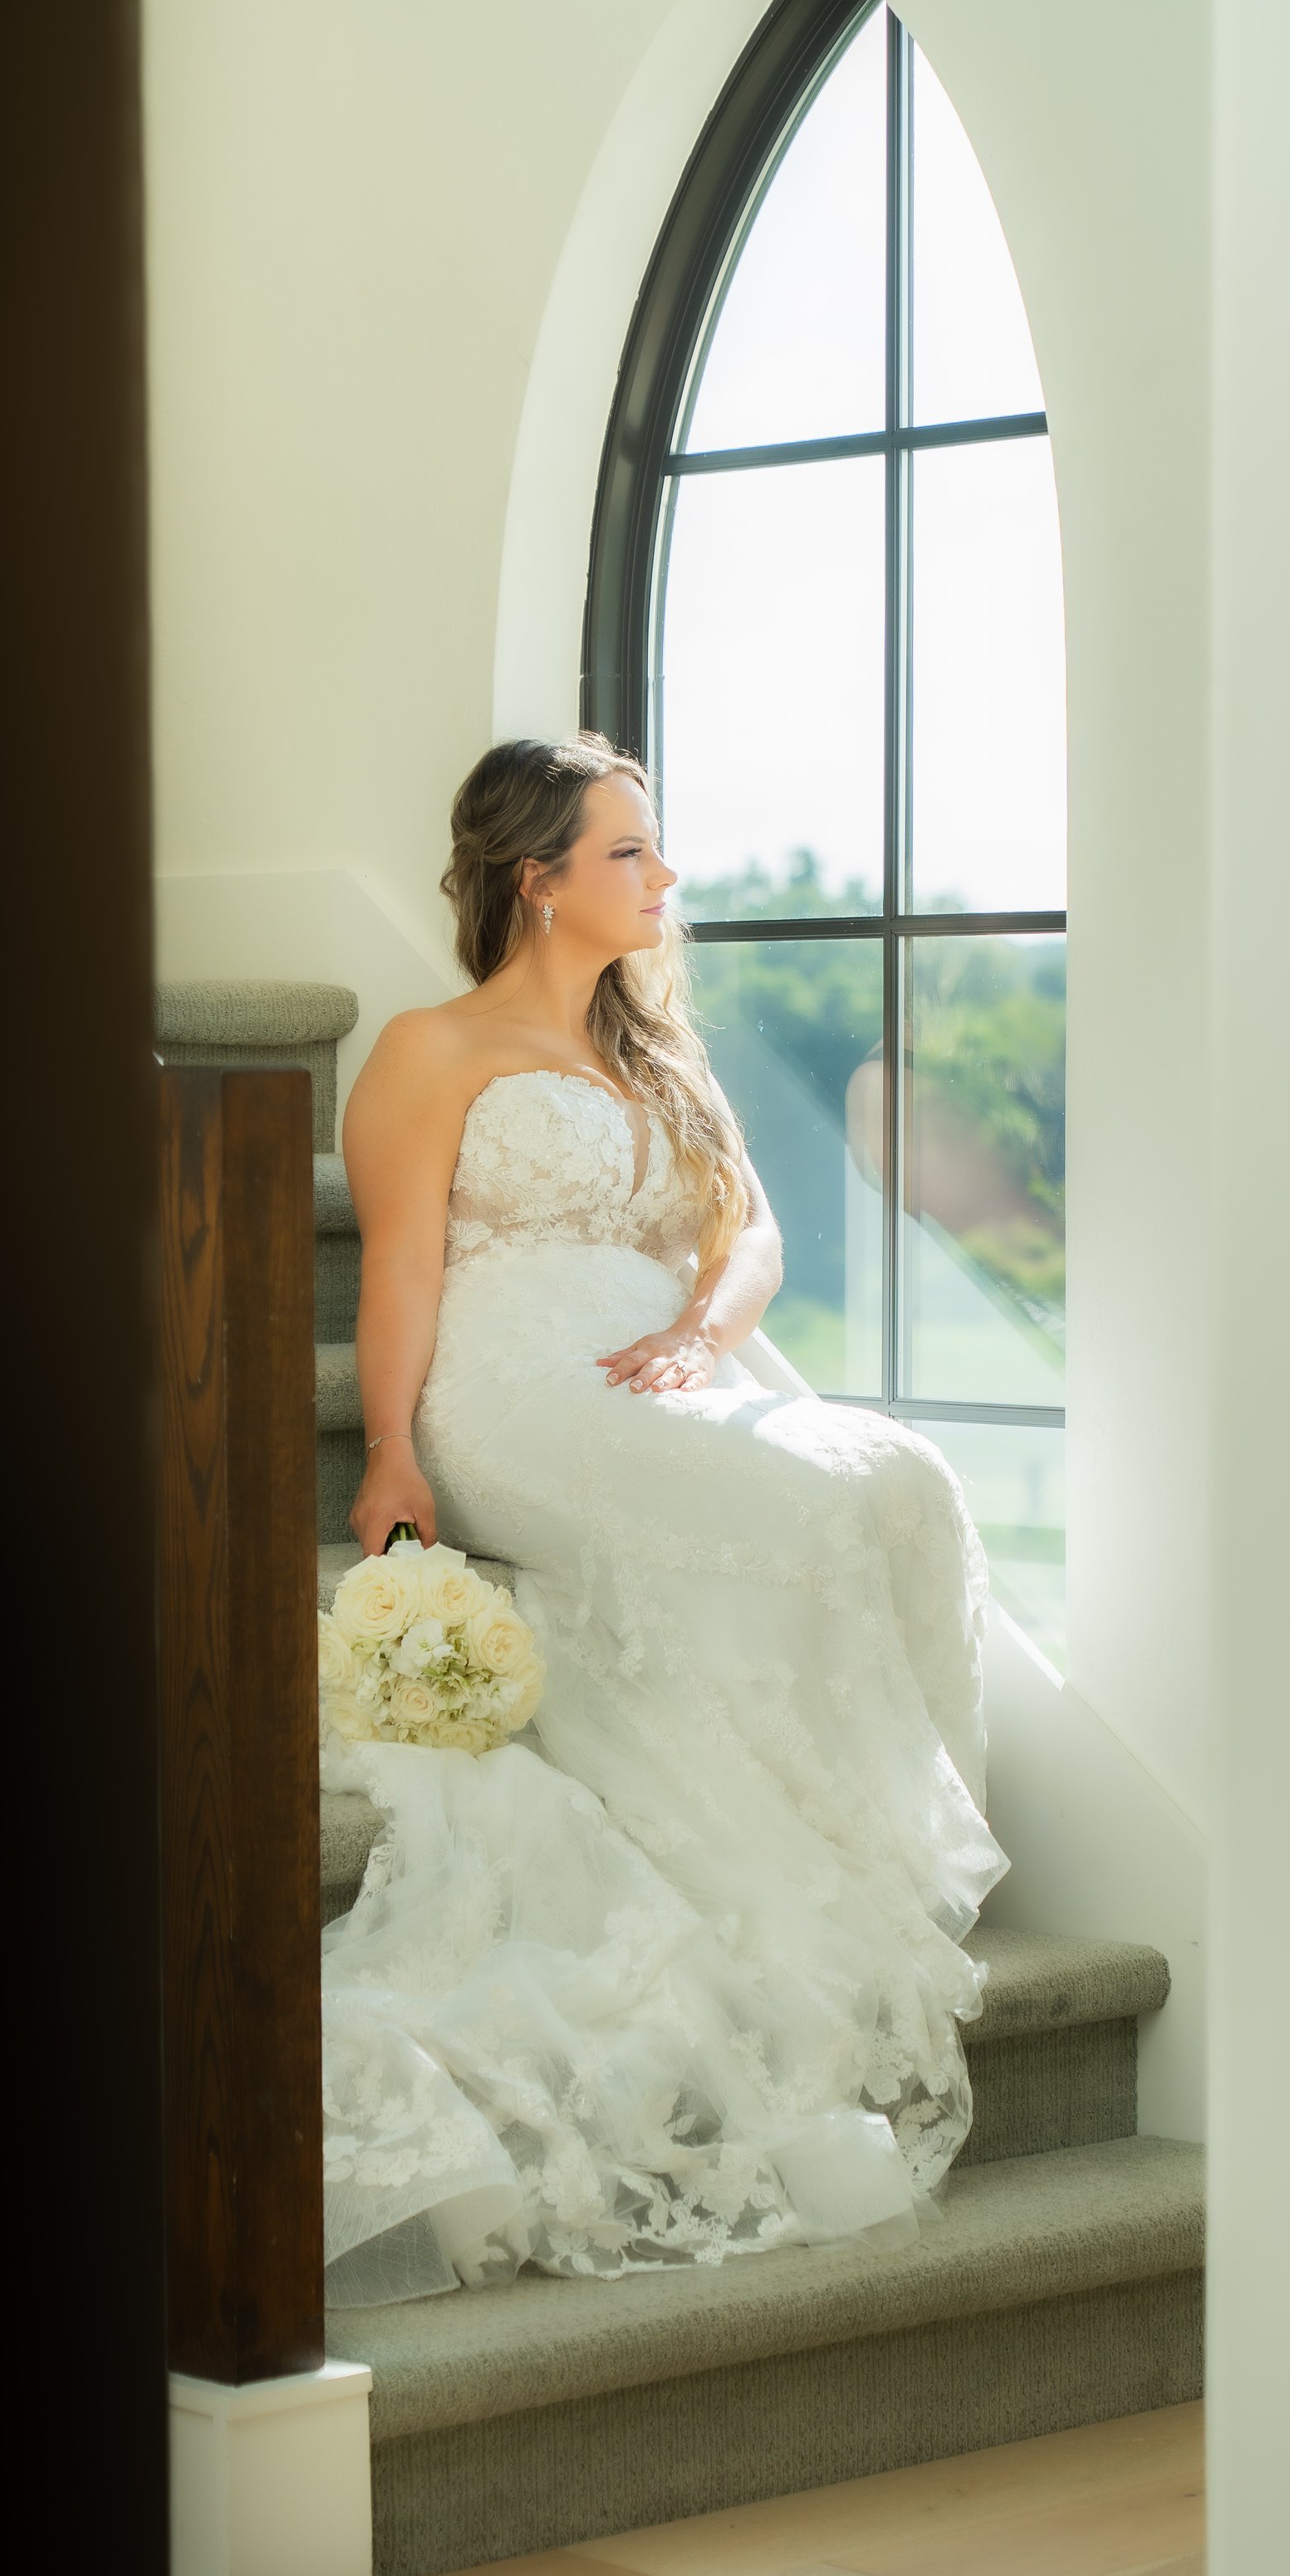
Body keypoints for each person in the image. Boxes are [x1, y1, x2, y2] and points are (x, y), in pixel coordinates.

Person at [318, 734, 1006, 2301]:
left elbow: (746, 1227)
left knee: (901, 1475)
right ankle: (813, 1833)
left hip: (664, 1364)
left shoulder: (655, 1051)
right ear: (534, 878)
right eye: (629, 851)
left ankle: (885, 1837)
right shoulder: (430, 1050)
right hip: (513, 1383)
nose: (665, 877)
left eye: (655, 846)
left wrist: (705, 1328)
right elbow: (406, 1268)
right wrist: (389, 1452)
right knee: (795, 1508)